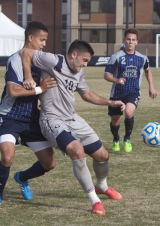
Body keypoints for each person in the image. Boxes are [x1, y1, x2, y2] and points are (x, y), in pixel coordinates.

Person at [20, 40, 125, 216]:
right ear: (74, 54)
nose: (85, 64)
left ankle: (102, 186)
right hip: (52, 119)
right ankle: (94, 200)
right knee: (77, 152)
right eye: (84, 60)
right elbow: (25, 52)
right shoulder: (54, 61)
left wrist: (110, 102)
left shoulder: (79, 72)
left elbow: (86, 94)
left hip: (73, 118)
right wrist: (28, 76)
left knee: (103, 156)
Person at [0, 21, 58, 210]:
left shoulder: (40, 62)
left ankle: (22, 178)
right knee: (8, 157)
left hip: (31, 119)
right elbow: (12, 91)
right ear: (31, 38)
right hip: (9, 117)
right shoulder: (15, 60)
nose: (44, 44)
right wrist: (39, 88)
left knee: (49, 163)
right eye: (42, 40)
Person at [104, 28, 157, 153]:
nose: (130, 42)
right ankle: (116, 138)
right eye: (128, 39)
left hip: (133, 92)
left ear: (137, 42)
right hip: (117, 93)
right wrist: (116, 80)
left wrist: (151, 86)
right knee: (115, 122)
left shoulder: (142, 58)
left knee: (129, 113)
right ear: (124, 40)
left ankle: (127, 139)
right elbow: (106, 75)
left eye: (133, 40)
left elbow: (148, 70)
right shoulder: (116, 57)